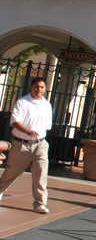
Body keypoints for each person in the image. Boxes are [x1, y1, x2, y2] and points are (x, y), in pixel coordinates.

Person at [0, 78, 52, 214]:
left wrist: (37, 136)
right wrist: (28, 131)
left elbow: (47, 126)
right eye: (36, 87)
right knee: (10, 174)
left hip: (40, 145)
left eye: (41, 87)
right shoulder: (22, 102)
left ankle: (39, 203)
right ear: (31, 87)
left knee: (41, 175)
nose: (39, 90)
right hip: (21, 145)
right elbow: (15, 122)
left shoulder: (47, 105)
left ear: (45, 89)